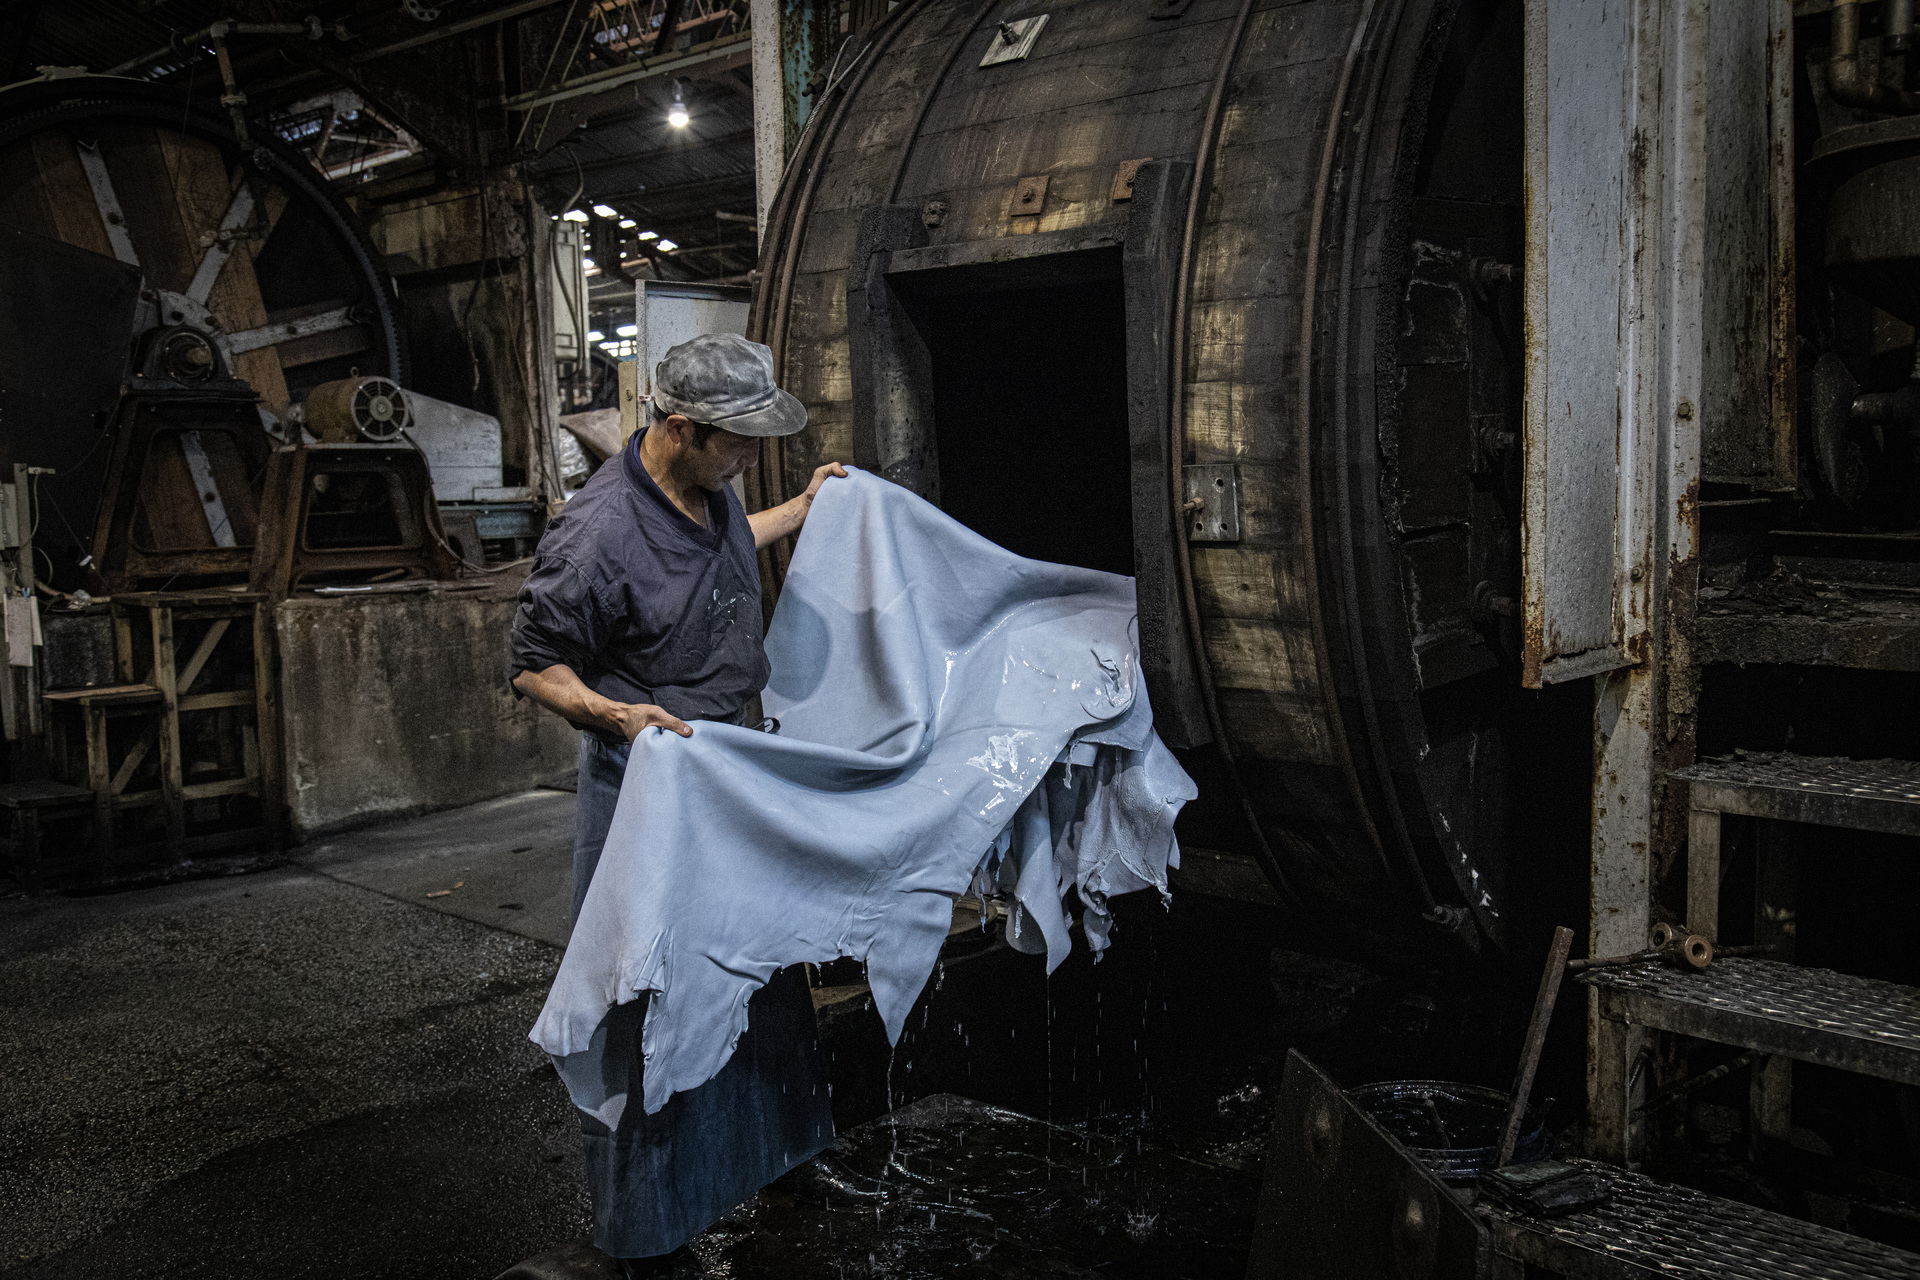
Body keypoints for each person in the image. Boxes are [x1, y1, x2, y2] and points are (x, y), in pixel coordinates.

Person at [508, 332, 846, 1271]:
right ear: (681, 427)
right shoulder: (599, 530)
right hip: (650, 789)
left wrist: (804, 508)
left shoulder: (711, 488)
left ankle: (784, 1160)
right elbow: (534, 663)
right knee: (648, 1001)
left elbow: (729, 544)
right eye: (737, 443)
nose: (749, 459)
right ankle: (645, 1235)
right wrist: (614, 713)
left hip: (731, 773)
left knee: (759, 971)